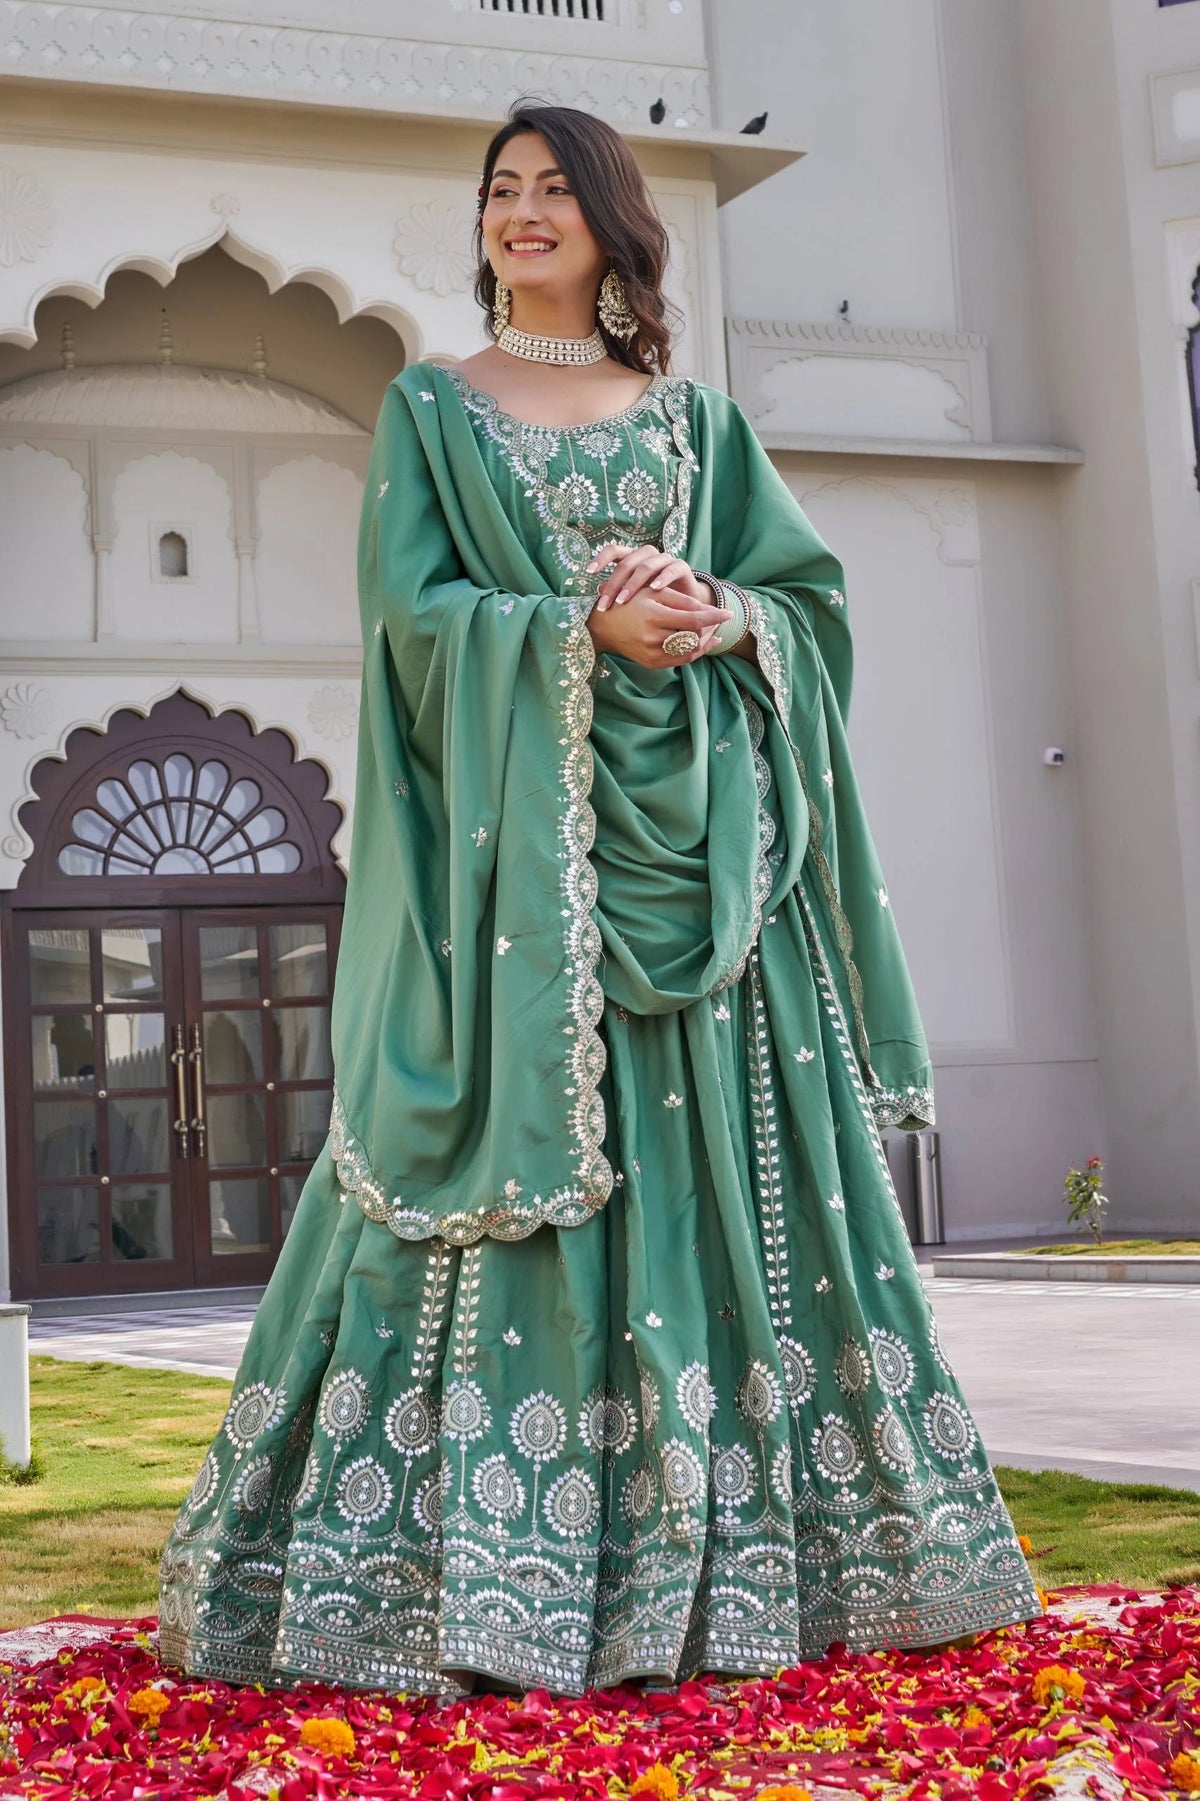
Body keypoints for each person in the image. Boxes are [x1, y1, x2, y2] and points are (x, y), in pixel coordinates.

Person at [159, 101, 1040, 1697]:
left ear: (612, 219)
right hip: (523, 900)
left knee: (738, 1183)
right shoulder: (434, 413)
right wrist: (579, 628)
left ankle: (790, 1559)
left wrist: (721, 613)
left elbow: (807, 602)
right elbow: (417, 623)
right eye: (501, 190)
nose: (522, 211)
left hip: (712, 885)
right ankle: (475, 1579)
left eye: (555, 187)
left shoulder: (700, 426)